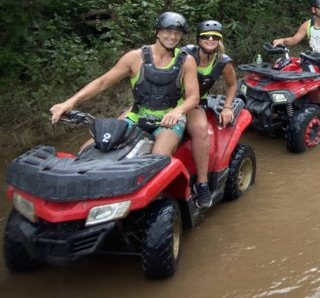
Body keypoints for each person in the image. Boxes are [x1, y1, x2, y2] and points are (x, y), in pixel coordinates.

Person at [49, 12, 201, 184]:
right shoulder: (134, 57)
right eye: (168, 31)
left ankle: (156, 203)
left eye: (178, 33)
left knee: (159, 156)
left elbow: (193, 97)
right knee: (90, 147)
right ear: (157, 31)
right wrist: (70, 102)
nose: (173, 36)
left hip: (170, 117)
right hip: (137, 114)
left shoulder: (186, 61)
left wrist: (178, 111)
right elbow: (102, 82)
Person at [181, 20, 237, 208]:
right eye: (206, 36)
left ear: (220, 40)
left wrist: (228, 107)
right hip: (167, 100)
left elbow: (232, 84)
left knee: (201, 129)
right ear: (199, 39)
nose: (210, 39)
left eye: (215, 37)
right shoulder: (184, 54)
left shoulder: (223, 62)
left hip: (194, 104)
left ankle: (202, 184)